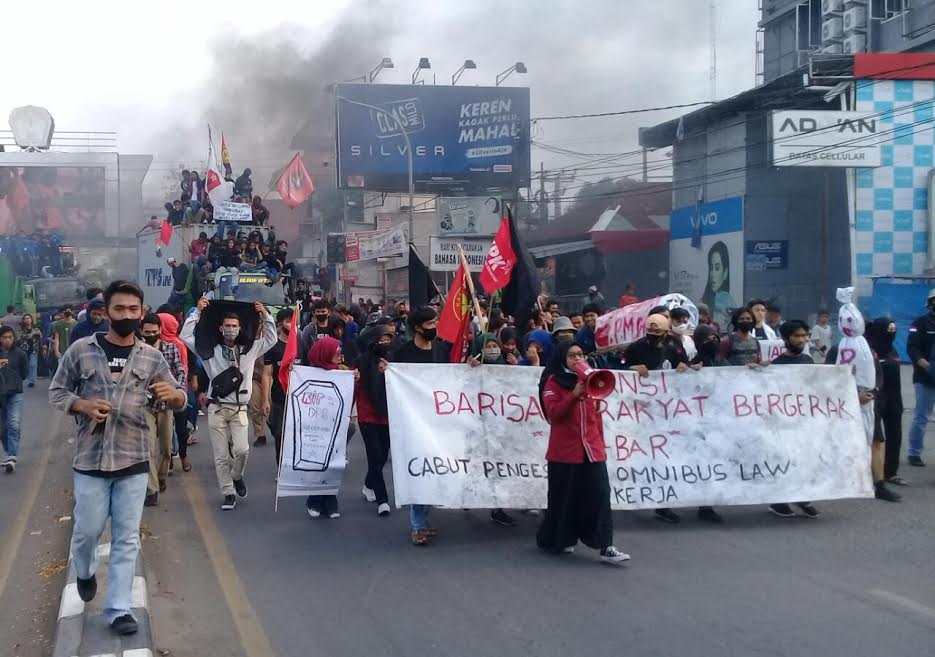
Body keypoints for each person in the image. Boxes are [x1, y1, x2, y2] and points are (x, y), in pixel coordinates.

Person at [49, 281, 186, 636]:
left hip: (134, 459)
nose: (127, 315)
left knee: (127, 538)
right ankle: (84, 570)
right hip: (91, 461)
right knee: (87, 531)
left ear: (142, 313)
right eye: (119, 309)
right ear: (106, 311)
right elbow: (57, 390)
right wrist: (81, 404)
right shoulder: (81, 350)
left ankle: (119, 609)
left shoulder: (152, 357)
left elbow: (179, 396)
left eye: (133, 310)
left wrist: (175, 396)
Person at [536, 340, 629, 564]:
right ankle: (560, 539)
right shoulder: (553, 382)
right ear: (562, 359)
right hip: (565, 452)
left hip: (592, 451)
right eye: (572, 356)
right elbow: (554, 414)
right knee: (565, 499)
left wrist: (600, 446)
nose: (578, 359)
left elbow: (596, 416)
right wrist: (573, 395)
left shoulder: (592, 382)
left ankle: (606, 546)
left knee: (600, 494)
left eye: (580, 355)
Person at [180, 297, 276, 510]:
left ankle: (237, 476)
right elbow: (185, 336)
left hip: (240, 408)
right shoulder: (209, 351)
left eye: (234, 326)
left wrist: (265, 315)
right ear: (220, 328)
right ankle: (228, 492)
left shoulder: (249, 349)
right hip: (217, 408)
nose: (231, 329)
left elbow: (271, 339)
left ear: (240, 327)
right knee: (221, 455)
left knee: (242, 450)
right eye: (227, 326)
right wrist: (196, 312)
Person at [830, 292, 901, 504]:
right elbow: (830, 376)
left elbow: (877, 375)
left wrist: (873, 393)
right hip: (845, 403)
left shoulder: (868, 350)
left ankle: (879, 484)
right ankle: (841, 479)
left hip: (870, 402)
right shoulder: (838, 348)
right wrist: (852, 395)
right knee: (843, 442)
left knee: (876, 441)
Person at [622, 314, 691, 524]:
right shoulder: (635, 348)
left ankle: (664, 504)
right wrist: (631, 368)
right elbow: (617, 369)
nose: (653, 336)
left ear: (667, 331)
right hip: (640, 411)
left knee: (664, 456)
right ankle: (634, 492)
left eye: (657, 333)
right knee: (642, 455)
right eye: (649, 332)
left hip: (667, 411)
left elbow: (685, 363)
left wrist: (684, 367)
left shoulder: (675, 345)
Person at [391, 306, 449, 545]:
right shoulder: (402, 353)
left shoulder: (442, 350)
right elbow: (393, 382)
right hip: (413, 422)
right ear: (417, 327)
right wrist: (387, 371)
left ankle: (423, 520)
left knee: (433, 471)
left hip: (439, 420)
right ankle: (417, 525)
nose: (434, 327)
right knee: (420, 471)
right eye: (430, 324)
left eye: (436, 322)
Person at [768, 319, 821, 518]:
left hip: (805, 421)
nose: (802, 340)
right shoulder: (776, 364)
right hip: (783, 423)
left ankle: (802, 497)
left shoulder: (808, 361)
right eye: (797, 336)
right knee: (785, 460)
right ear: (785, 338)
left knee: (805, 459)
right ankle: (778, 501)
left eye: (805, 336)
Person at [138, 314, 183, 506]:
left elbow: (180, 371)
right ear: (141, 332)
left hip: (165, 405)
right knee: (147, 449)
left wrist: (176, 392)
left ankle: (161, 476)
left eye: (154, 332)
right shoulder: (136, 351)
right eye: (147, 332)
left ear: (160, 331)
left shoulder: (171, 349)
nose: (150, 335)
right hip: (144, 406)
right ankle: (152, 489)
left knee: (166, 448)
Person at [304, 336, 351, 519]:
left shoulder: (344, 372)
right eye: (336, 352)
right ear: (326, 353)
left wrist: (355, 379)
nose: (340, 356)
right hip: (315, 428)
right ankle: (314, 500)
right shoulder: (307, 374)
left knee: (333, 465)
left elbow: (350, 398)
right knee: (318, 464)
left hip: (337, 426)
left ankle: (331, 500)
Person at [354, 325, 394, 517]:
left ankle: (369, 484)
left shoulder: (394, 361)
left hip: (387, 415)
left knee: (382, 456)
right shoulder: (361, 362)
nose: (386, 343)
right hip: (367, 415)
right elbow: (351, 385)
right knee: (375, 455)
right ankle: (383, 500)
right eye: (382, 340)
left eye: (388, 339)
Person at [866, 317, 906, 486]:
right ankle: (872, 473)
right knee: (873, 439)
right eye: (888, 331)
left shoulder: (892, 350)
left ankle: (891, 472)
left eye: (893, 331)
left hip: (894, 400)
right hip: (875, 400)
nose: (891, 334)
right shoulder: (868, 350)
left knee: (895, 435)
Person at [906, 289, 935, 467]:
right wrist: (921, 362)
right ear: (930, 303)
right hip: (925, 376)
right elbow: (911, 346)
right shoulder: (920, 323)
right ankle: (914, 452)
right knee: (922, 416)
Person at [262, 308, 291, 469]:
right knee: (279, 433)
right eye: (287, 321)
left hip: (299, 399)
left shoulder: (300, 343)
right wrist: (265, 400)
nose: (291, 325)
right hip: (279, 397)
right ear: (279, 324)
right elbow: (267, 374)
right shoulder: (273, 347)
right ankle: (281, 467)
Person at [0, 326, 28, 473]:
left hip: (15, 393)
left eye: (10, 337)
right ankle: (8, 451)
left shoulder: (20, 354)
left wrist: (14, 381)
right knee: (2, 429)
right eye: (4, 337)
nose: (7, 340)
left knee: (14, 424)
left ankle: (12, 456)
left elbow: (24, 373)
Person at [701, 241, 738, 329]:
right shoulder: (703, 301)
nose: (713, 274)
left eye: (717, 268)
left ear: (725, 272)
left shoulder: (729, 303)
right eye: (711, 268)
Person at [18, 314, 41, 388]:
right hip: (24, 349)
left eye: (28, 318)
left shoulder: (36, 328)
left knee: (33, 365)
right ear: (23, 320)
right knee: (26, 365)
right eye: (26, 318)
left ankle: (31, 381)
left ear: (31, 319)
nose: (27, 320)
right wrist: (32, 334)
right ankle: (28, 378)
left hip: (34, 349)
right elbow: (21, 337)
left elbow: (40, 336)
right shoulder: (21, 329)